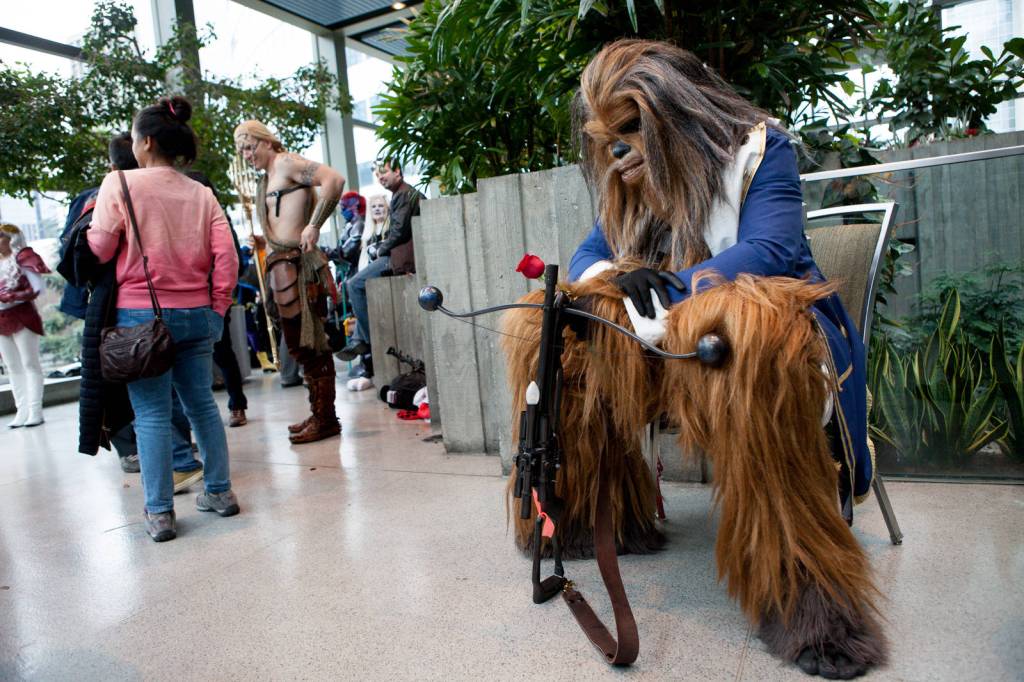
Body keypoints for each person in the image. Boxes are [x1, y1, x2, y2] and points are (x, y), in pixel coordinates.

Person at [502, 40, 885, 678]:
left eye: (630, 133)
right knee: (550, 327)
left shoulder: (760, 151)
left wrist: (675, 288)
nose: (618, 155)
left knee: (747, 333)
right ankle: (584, 515)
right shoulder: (628, 185)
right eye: (607, 141)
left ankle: (800, 587)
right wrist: (614, 280)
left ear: (673, 116)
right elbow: (590, 255)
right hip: (662, 343)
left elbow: (772, 249)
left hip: (758, 335)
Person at [88, 96, 240, 542]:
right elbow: (227, 257)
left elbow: (100, 248)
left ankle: (159, 513)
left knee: (152, 414)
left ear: (147, 142)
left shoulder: (119, 184)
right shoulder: (201, 193)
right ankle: (220, 492)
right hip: (197, 313)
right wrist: (217, 308)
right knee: (202, 406)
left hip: (140, 316)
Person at [233, 119, 345, 444]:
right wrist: (264, 240)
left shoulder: (285, 162)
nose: (247, 155)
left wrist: (315, 224)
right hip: (282, 265)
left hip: (298, 266)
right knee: (300, 344)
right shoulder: (269, 176)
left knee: (311, 343)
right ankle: (320, 414)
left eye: (250, 147)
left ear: (266, 141)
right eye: (242, 151)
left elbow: (334, 180)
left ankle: (325, 419)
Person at [337, 161, 424, 361]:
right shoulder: (403, 193)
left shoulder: (403, 194)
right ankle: (360, 339)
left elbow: (399, 232)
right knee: (357, 285)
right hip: (400, 256)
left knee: (355, 284)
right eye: (377, 175)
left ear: (398, 172)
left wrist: (380, 250)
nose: (380, 177)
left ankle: (368, 340)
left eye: (384, 172)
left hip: (400, 259)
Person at [185, 170, 249, 428]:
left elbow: (234, 261)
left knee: (222, 352)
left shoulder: (218, 218)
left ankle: (237, 405)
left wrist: (221, 296)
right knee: (195, 358)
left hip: (214, 296)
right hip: (189, 296)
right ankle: (199, 414)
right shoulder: (180, 218)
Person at [0, 223, 50, 428]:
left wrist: (12, 296)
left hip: (23, 315)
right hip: (1, 319)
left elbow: (38, 288)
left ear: (11, 238)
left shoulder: (23, 258)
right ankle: (21, 411)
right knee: (12, 366)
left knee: (30, 363)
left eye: (1, 236)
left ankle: (35, 410)